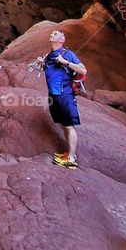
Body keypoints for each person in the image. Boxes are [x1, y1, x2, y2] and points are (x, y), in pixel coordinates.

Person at [43, 29, 87, 168]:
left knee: (69, 126)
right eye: (52, 33)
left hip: (65, 94)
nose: (52, 34)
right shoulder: (50, 55)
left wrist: (65, 62)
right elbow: (52, 70)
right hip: (54, 95)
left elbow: (83, 70)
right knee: (63, 124)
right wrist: (42, 63)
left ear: (62, 39)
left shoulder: (68, 54)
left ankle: (71, 159)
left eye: (55, 34)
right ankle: (68, 153)